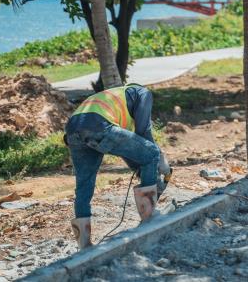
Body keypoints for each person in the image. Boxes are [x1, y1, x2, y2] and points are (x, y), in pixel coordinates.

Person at [64, 84, 170, 250]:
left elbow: (127, 152)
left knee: (84, 185)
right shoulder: (143, 92)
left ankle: (84, 245)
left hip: (73, 130)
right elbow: (144, 131)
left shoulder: (114, 101)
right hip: (98, 124)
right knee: (152, 153)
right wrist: (161, 158)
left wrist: (144, 173)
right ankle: (149, 218)